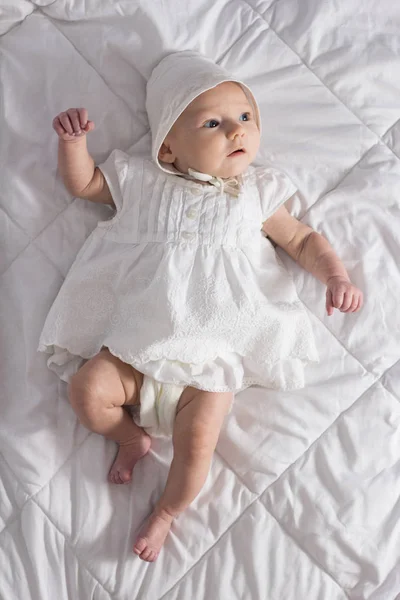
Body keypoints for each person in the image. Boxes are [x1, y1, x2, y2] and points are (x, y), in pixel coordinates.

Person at [38, 51, 363, 562]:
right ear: (167, 147)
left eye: (245, 118)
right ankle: (130, 439)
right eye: (213, 122)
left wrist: (336, 275)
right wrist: (73, 144)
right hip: (134, 350)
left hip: (210, 364)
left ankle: (166, 512)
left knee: (196, 453)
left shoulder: (256, 193)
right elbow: (84, 185)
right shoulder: (141, 180)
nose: (236, 131)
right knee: (86, 391)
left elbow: (301, 240)